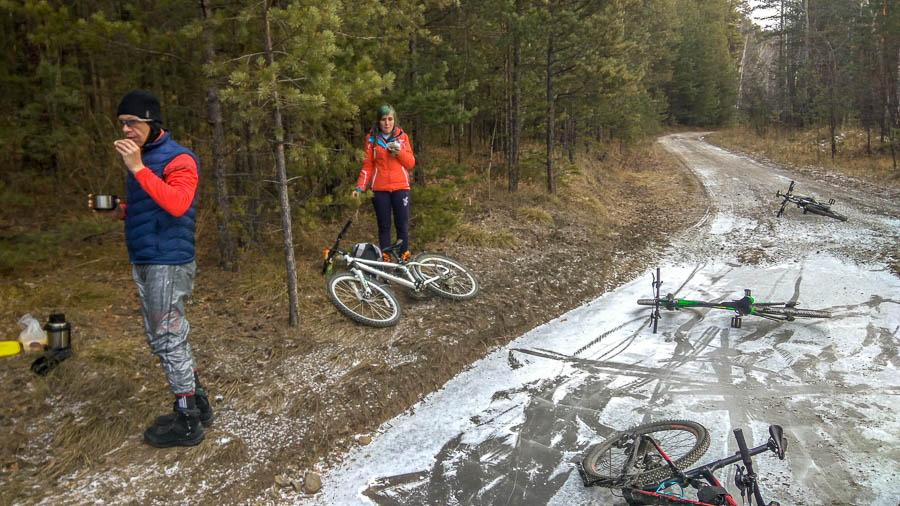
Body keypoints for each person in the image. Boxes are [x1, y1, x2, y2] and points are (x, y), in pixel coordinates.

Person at [89, 90, 213, 447]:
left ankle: (188, 420)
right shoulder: (143, 158)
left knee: (167, 338)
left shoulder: (180, 159)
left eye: (133, 123)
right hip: (146, 256)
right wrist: (121, 210)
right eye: (122, 124)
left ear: (151, 122)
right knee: (167, 336)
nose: (126, 130)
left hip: (168, 262)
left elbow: (177, 204)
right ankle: (198, 402)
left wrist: (137, 168)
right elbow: (153, 204)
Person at [352, 104, 416, 261]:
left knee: (402, 225)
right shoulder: (372, 139)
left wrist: (399, 153)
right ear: (378, 121)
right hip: (379, 189)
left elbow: (410, 163)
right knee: (384, 226)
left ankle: (403, 258)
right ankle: (386, 259)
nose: (387, 123)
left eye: (390, 119)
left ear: (394, 120)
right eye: (383, 119)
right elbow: (367, 165)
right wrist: (360, 188)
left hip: (401, 186)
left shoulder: (402, 137)